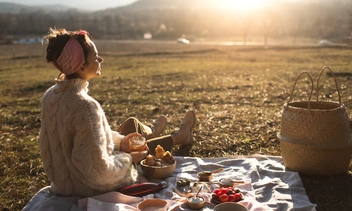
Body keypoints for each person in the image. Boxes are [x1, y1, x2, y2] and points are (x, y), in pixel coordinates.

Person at [39, 28, 196, 198]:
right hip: (89, 189)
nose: (100, 59)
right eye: (95, 57)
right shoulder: (84, 106)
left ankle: (157, 132)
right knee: (140, 145)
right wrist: (129, 159)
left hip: (62, 185)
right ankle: (178, 136)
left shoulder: (50, 96)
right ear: (81, 66)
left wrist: (121, 143)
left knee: (131, 125)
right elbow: (99, 173)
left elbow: (81, 137)